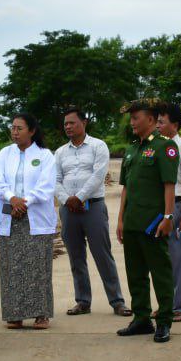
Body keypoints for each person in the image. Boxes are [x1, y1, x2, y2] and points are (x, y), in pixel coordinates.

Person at [55, 107, 130, 317]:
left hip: (93, 207)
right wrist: (67, 200)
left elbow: (98, 175)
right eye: (65, 124)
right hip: (68, 210)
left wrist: (79, 197)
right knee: (75, 257)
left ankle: (117, 301)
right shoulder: (60, 152)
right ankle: (83, 301)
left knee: (102, 254)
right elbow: (55, 180)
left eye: (72, 123)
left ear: (84, 122)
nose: (68, 127)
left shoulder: (98, 146)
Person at [115, 99, 178, 343]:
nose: (132, 122)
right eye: (131, 118)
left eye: (136, 118)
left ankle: (164, 321)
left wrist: (168, 217)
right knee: (135, 274)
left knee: (161, 274)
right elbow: (125, 188)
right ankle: (141, 318)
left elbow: (169, 185)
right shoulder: (132, 149)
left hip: (153, 223)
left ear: (150, 119)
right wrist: (120, 220)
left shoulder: (165, 146)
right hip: (132, 223)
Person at [0, 113, 57, 329]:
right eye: (13, 128)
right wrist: (12, 199)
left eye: (19, 128)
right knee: (12, 268)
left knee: (38, 267)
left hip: (36, 218)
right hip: (11, 217)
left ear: (32, 131)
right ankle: (14, 314)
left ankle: (41, 314)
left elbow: (46, 187)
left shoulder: (45, 156)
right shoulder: (4, 154)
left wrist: (24, 202)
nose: (15, 132)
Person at [155, 103, 181, 323]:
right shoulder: (158, 147)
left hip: (179, 206)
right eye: (157, 121)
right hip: (161, 207)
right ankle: (166, 305)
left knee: (179, 259)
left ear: (175, 124)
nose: (158, 126)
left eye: (161, 122)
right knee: (162, 260)